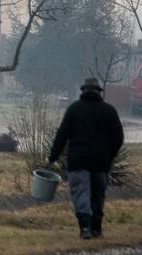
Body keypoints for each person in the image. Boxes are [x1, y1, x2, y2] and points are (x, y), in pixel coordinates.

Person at [48, 76, 125, 240]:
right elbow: (118, 138)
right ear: (99, 92)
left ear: (82, 92)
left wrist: (52, 157)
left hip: (78, 161)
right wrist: (109, 156)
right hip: (101, 162)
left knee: (81, 193)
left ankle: (85, 227)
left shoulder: (74, 110)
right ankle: (96, 228)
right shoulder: (109, 111)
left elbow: (62, 135)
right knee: (98, 195)